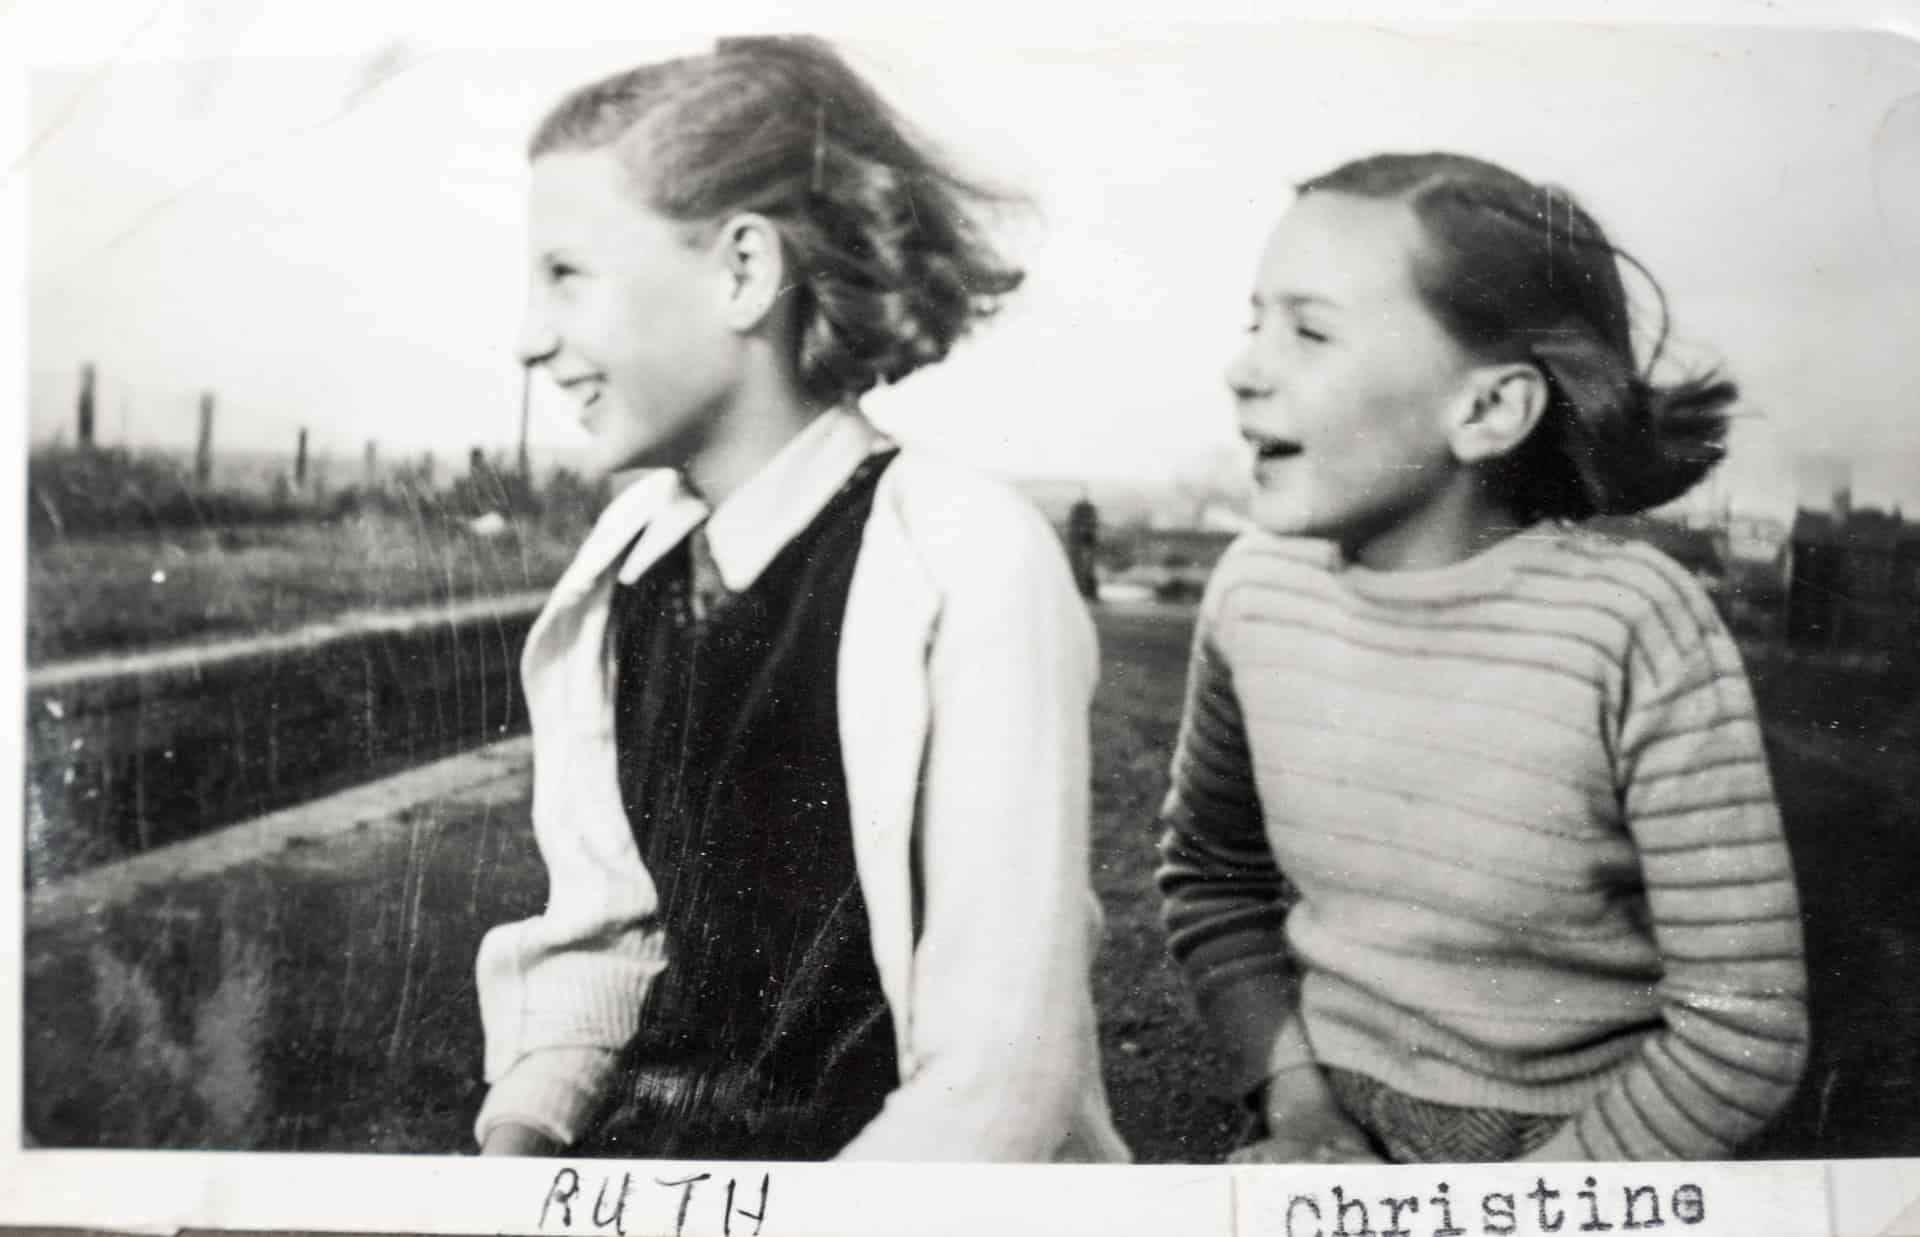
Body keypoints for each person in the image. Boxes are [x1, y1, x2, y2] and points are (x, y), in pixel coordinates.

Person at [475, 36, 1126, 1163]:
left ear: (742, 270)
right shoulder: (630, 563)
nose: (529, 338)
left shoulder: (967, 556)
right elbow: (609, 942)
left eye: (567, 275)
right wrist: (520, 1142)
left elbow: (997, 1084)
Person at [1157, 152, 1808, 1163]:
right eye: (1256, 321)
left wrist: (1511, 1208)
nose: (1244, 368)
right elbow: (1208, 875)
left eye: (1311, 330)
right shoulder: (1254, 591)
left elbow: (1744, 1030)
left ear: (1489, 410)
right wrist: (1302, 1113)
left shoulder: (1635, 628)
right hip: (1323, 1134)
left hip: (1595, 1154)